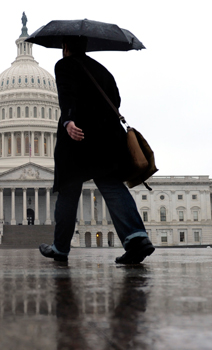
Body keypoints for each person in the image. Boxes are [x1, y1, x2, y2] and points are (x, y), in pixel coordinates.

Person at [39, 35, 154, 264]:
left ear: (66, 47)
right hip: (108, 138)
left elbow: (66, 94)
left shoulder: (64, 65)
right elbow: (116, 100)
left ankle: (60, 248)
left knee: (68, 192)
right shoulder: (102, 70)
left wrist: (69, 121)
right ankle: (137, 237)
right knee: (112, 186)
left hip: (78, 138)